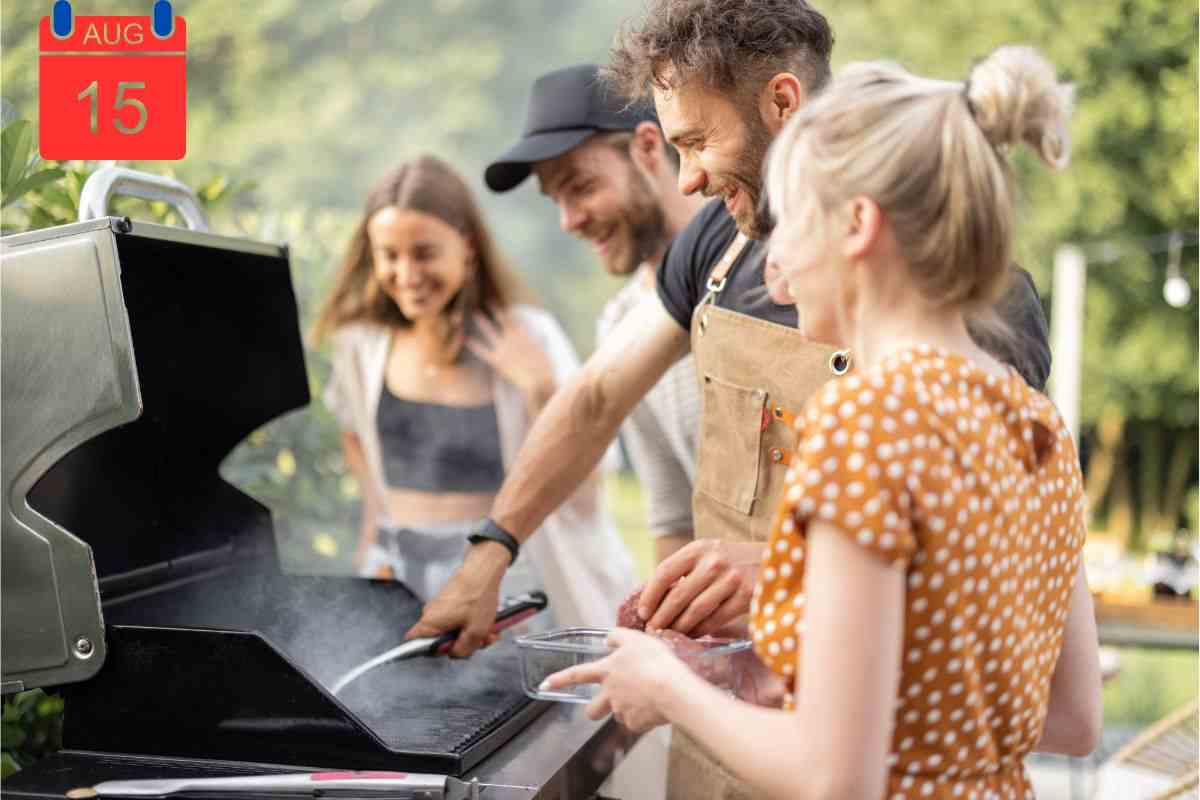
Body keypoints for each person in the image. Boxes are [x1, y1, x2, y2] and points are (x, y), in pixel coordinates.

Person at [544, 45, 1103, 800]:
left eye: (791, 226)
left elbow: (834, 777)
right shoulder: (1036, 426)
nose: (774, 270)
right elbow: (1071, 719)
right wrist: (777, 678)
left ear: (857, 227)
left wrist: (669, 690)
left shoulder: (864, 424)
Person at [313, 154, 633, 628]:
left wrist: (541, 386)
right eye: (389, 255)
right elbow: (356, 439)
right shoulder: (361, 346)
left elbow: (590, 480)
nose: (407, 274)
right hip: (396, 577)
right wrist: (371, 541)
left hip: (506, 579)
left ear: (466, 246)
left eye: (424, 253)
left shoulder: (530, 335)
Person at [485, 63, 707, 566]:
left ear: (648, 148)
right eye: (556, 200)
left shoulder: (760, 270)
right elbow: (675, 520)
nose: (569, 221)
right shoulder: (619, 323)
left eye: (580, 186)